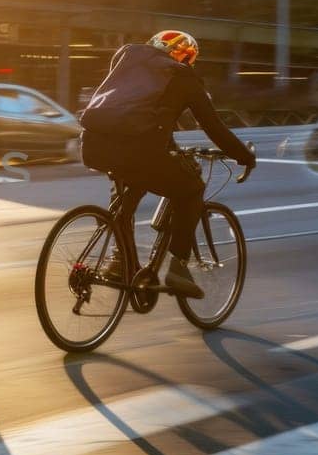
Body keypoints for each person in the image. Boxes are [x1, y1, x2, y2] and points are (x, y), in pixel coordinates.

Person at [78, 30, 257, 298]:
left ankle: (120, 261)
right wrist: (245, 156)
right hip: (138, 150)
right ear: (184, 56)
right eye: (188, 57)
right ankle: (178, 269)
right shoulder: (182, 76)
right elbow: (213, 126)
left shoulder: (126, 57)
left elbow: (140, 115)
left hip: (94, 145)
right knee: (191, 188)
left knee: (126, 195)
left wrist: (167, 144)